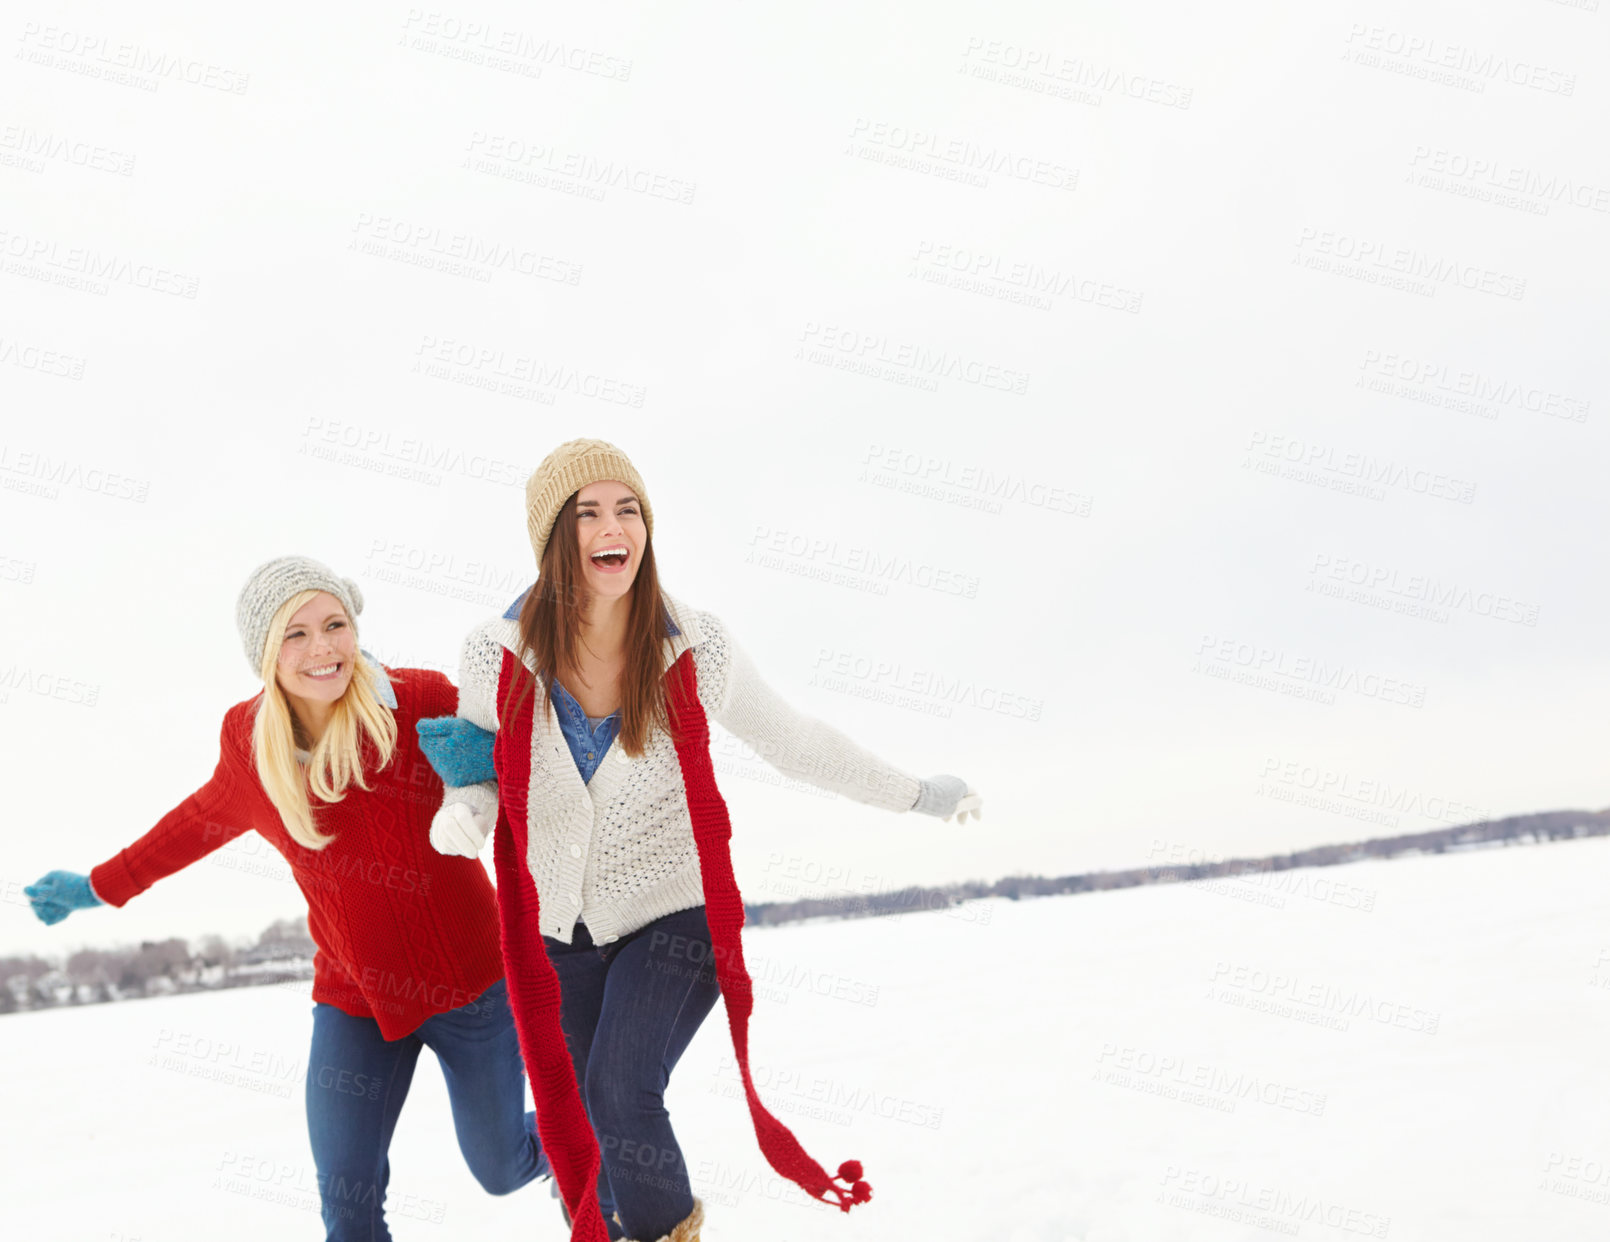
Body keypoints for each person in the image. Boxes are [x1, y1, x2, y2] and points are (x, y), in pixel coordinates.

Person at [419, 439, 983, 1242]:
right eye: (589, 513)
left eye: (629, 510)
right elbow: (479, 755)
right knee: (585, 1130)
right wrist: (466, 810)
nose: (614, 527)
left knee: (621, 1092)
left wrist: (918, 795)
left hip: (673, 915)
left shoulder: (692, 645)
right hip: (560, 934)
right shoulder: (496, 651)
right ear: (552, 537)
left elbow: (795, 741)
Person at [23, 555, 550, 1241]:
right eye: (294, 635)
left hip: (473, 989)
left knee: (501, 1168)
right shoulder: (251, 748)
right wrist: (99, 886)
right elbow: (193, 824)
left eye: (334, 624)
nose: (322, 648)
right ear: (265, 655)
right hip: (353, 997)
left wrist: (497, 751)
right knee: (348, 1212)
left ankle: (583, 1145)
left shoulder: (420, 700)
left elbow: (531, 752)